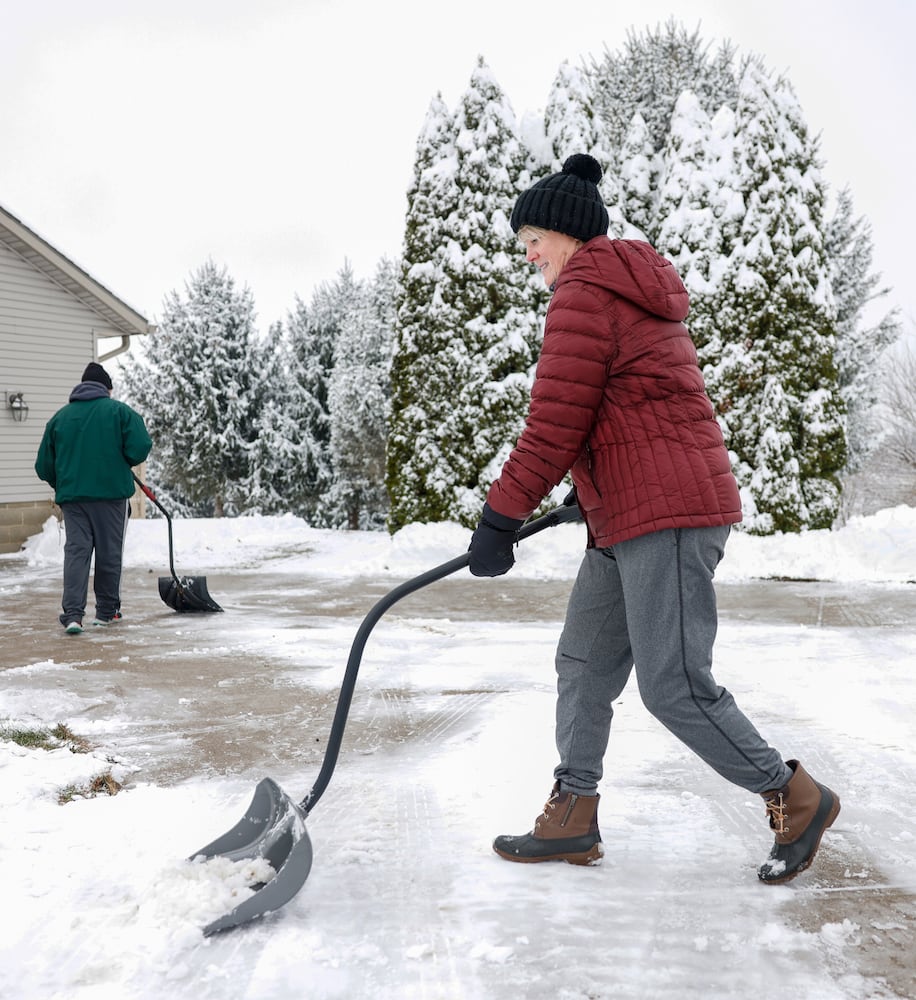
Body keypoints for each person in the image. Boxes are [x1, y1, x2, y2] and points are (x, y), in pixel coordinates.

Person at [467, 153, 840, 885]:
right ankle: (573, 813)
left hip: (665, 515)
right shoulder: (618, 288)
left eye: (532, 236)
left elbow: (554, 422)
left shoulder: (584, 291)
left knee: (673, 684)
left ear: (567, 233)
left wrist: (499, 516)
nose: (528, 253)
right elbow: (633, 407)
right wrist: (593, 483)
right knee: (583, 663)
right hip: (629, 512)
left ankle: (795, 795)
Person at [35, 362, 152, 634]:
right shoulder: (120, 412)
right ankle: (106, 613)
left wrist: (63, 482)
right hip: (111, 497)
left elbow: (43, 466)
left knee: (76, 553)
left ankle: (73, 616)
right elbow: (140, 447)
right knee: (109, 554)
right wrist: (122, 458)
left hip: (73, 500)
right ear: (106, 389)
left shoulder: (59, 419)